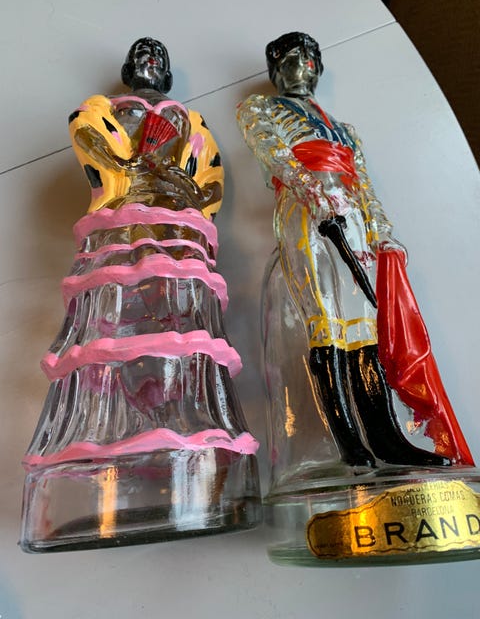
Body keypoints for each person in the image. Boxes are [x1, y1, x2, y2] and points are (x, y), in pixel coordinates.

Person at [21, 38, 259, 551]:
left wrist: (181, 188)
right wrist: (128, 167)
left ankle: (192, 457)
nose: (150, 65)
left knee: (182, 333)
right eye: (143, 58)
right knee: (108, 329)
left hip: (176, 236)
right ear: (130, 68)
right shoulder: (108, 110)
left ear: (165, 74)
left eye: (158, 60)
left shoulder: (190, 122)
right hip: (120, 227)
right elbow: (86, 133)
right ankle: (99, 464)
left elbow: (209, 178)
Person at [237, 31, 472, 468]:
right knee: (325, 319)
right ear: (277, 66)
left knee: (364, 321)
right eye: (295, 57)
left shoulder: (345, 130)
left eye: (311, 58)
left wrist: (381, 230)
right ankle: (347, 439)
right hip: (306, 213)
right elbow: (273, 152)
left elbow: (362, 184)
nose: (305, 66)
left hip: (351, 216)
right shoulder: (261, 108)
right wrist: (310, 189)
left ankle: (385, 437)